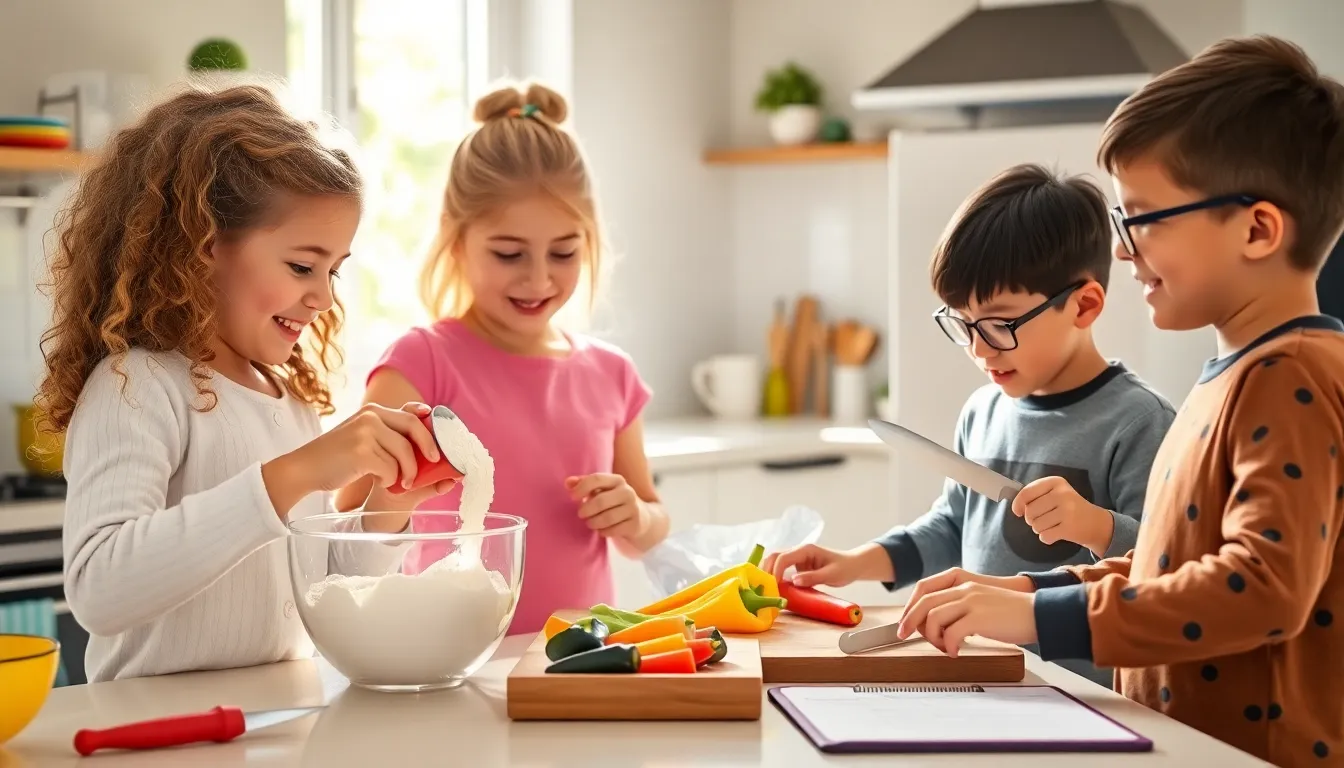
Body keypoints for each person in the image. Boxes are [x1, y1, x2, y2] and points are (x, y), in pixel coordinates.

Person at [895, 35, 1344, 766]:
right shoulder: (1239, 372)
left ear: (1257, 229)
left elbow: (1260, 586)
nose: (1125, 248)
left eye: (1143, 218)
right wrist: (1017, 589)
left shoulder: (1289, 375)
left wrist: (1040, 614)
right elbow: (1170, 564)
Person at [43, 84, 457, 682]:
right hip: (155, 735)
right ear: (204, 245)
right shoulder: (137, 384)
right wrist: (299, 472)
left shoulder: (287, 398)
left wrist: (390, 506)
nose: (321, 297)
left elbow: (324, 584)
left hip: (273, 724)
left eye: (334, 270)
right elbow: (100, 590)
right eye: (301, 266)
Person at [764, 163, 1174, 687]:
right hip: (985, 676)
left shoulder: (1139, 422)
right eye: (963, 324)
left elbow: (1166, 568)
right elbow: (951, 527)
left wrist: (1095, 526)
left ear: (1084, 305)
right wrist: (852, 564)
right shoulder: (984, 411)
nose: (980, 350)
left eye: (1001, 325)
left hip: (1089, 695)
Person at [335, 81, 669, 636]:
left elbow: (650, 527)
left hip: (578, 663)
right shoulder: (423, 363)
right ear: (457, 240)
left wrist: (634, 516)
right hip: (450, 657)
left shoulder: (611, 375)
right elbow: (347, 536)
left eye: (564, 252)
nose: (538, 278)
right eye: (509, 253)